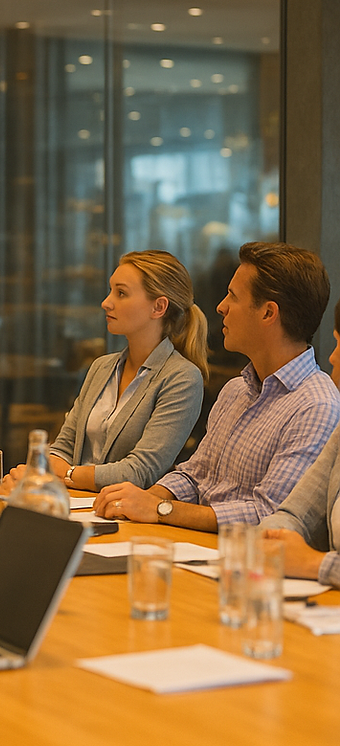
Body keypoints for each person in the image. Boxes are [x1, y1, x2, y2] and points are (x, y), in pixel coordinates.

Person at [93, 241, 340, 531]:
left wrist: (161, 510)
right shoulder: (237, 389)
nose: (221, 307)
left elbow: (268, 515)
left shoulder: (316, 405)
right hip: (198, 547)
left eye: (233, 297)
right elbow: (194, 475)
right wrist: (144, 499)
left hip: (245, 562)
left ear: (268, 313)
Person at [2, 250, 206, 494]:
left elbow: (139, 472)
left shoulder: (182, 378)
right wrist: (40, 471)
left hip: (128, 518)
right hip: (76, 503)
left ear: (158, 307)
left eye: (121, 293)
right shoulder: (102, 366)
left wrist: (66, 474)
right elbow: (64, 446)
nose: (106, 302)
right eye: (111, 291)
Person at [261, 300, 340, 588]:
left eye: (338, 344)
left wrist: (313, 563)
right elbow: (294, 513)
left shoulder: (320, 402)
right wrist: (269, 540)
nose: (331, 358)